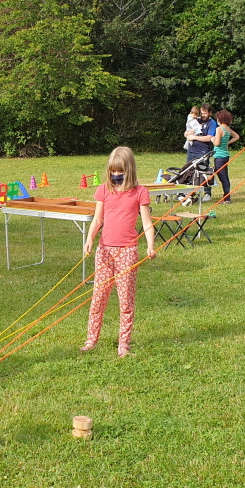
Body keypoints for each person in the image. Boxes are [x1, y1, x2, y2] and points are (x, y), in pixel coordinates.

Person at [80, 147, 157, 358]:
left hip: (128, 252)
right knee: (98, 298)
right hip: (104, 251)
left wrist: (150, 246)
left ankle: (123, 342)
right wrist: (89, 239)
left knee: (126, 301)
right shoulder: (104, 190)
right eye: (112, 171)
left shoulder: (140, 192)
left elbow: (147, 223)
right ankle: (91, 339)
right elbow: (97, 219)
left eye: (120, 171)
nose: (115, 175)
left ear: (129, 169)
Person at [182, 103, 217, 197]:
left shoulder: (212, 123)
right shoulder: (196, 119)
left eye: (205, 113)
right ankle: (189, 192)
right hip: (191, 150)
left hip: (202, 152)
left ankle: (207, 193)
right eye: (201, 113)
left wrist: (193, 137)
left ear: (210, 113)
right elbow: (186, 133)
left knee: (204, 172)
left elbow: (209, 138)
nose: (202, 115)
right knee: (188, 171)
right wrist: (189, 133)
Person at [212, 109, 240, 203]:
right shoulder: (228, 129)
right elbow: (237, 136)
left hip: (219, 156)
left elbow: (217, 143)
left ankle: (227, 198)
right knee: (225, 177)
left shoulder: (219, 129)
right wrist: (228, 142)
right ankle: (226, 196)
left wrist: (212, 139)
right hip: (226, 156)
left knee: (223, 177)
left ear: (220, 118)